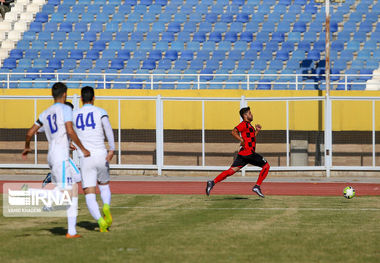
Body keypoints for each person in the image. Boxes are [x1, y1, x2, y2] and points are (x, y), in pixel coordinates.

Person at [22, 82, 90, 238]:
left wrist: (27, 147)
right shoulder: (66, 109)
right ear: (65, 94)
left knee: (71, 190)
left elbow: (30, 132)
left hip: (52, 156)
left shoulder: (45, 113)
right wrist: (82, 148)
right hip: (61, 156)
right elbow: (69, 130)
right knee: (67, 192)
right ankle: (30, 193)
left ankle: (71, 231)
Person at [73, 86, 114, 232]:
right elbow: (108, 130)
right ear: (94, 98)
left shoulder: (75, 114)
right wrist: (112, 149)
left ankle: (100, 221)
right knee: (104, 185)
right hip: (101, 154)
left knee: (89, 193)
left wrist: (71, 145)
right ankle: (107, 206)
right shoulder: (101, 112)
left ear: (81, 99)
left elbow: (70, 133)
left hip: (85, 157)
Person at [206, 107, 270, 198]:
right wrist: (241, 139)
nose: (251, 115)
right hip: (249, 153)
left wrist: (256, 131)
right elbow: (233, 132)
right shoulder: (243, 124)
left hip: (243, 154)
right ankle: (257, 186)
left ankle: (212, 182)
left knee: (230, 172)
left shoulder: (249, 126)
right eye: (249, 113)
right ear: (245, 115)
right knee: (266, 166)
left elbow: (251, 138)